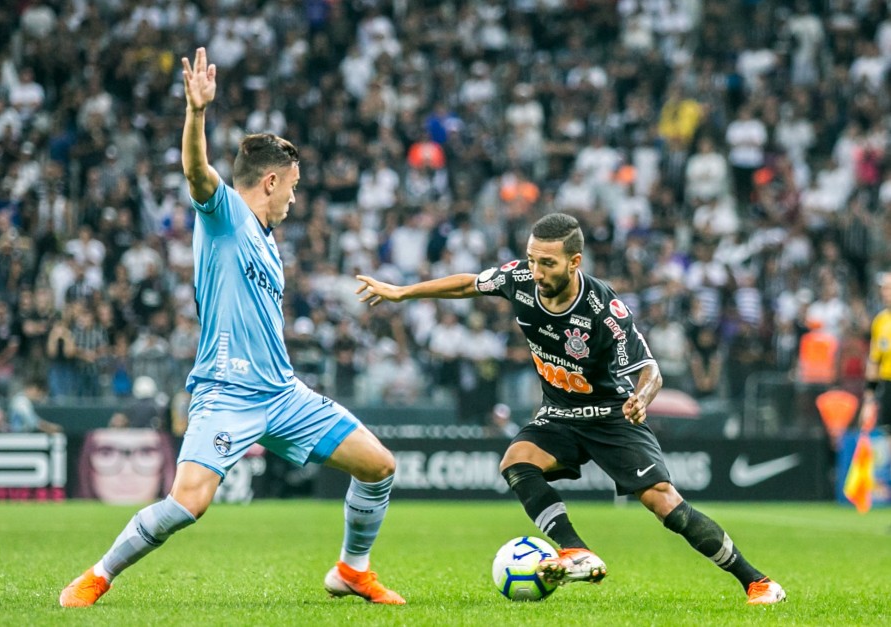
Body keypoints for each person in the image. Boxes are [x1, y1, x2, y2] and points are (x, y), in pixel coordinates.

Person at [59, 48, 404, 608]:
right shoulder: (224, 217)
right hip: (227, 392)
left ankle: (351, 569)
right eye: (292, 185)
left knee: (378, 465)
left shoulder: (268, 242)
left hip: (283, 393)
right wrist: (196, 113)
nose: (295, 196)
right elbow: (196, 173)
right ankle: (97, 576)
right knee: (187, 503)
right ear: (269, 181)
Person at [356, 212, 785, 605]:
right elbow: (469, 283)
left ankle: (758, 582)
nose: (537, 273)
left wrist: (642, 397)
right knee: (517, 461)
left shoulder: (603, 308)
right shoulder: (519, 279)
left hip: (610, 417)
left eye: (548, 264)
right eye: (532, 260)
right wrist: (402, 293)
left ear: (574, 261)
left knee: (663, 503)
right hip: (559, 414)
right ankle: (575, 550)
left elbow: (649, 368)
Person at [861, 272, 891, 430]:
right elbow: (874, 361)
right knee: (887, 433)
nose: (885, 292)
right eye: (883, 289)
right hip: (887, 385)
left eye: (888, 288)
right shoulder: (880, 322)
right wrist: (868, 401)